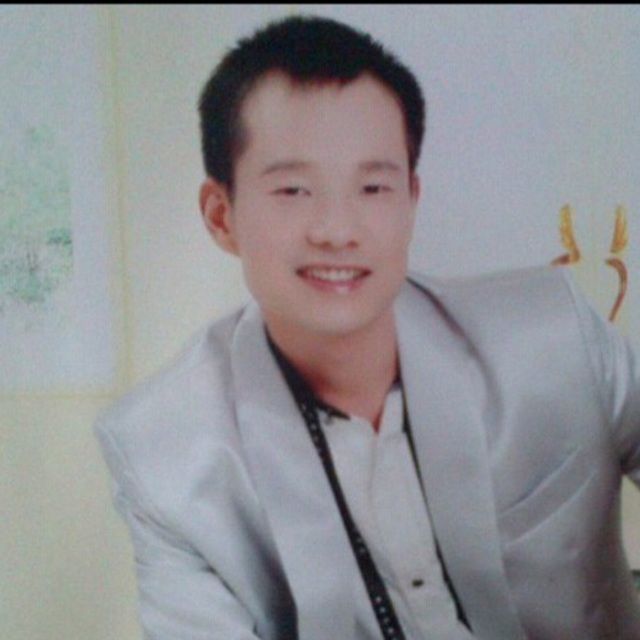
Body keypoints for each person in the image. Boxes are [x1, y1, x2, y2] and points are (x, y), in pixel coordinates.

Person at [95, 15, 640, 640]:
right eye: (294, 190)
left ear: (411, 198)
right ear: (221, 216)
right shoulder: (166, 455)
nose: (337, 229)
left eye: (373, 187)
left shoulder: (553, 337)